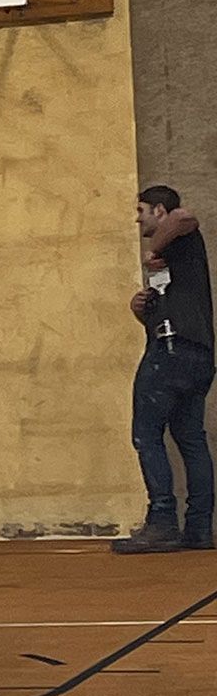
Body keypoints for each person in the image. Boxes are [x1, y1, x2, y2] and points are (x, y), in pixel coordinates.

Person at [113, 184, 214, 553]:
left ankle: (162, 522)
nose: (137, 218)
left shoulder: (179, 236)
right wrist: (142, 310)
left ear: (158, 210)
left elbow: (185, 216)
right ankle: (199, 528)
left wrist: (153, 250)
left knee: (147, 433)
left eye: (141, 210)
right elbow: (161, 315)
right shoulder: (176, 262)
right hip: (196, 355)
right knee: (190, 437)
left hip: (171, 354)